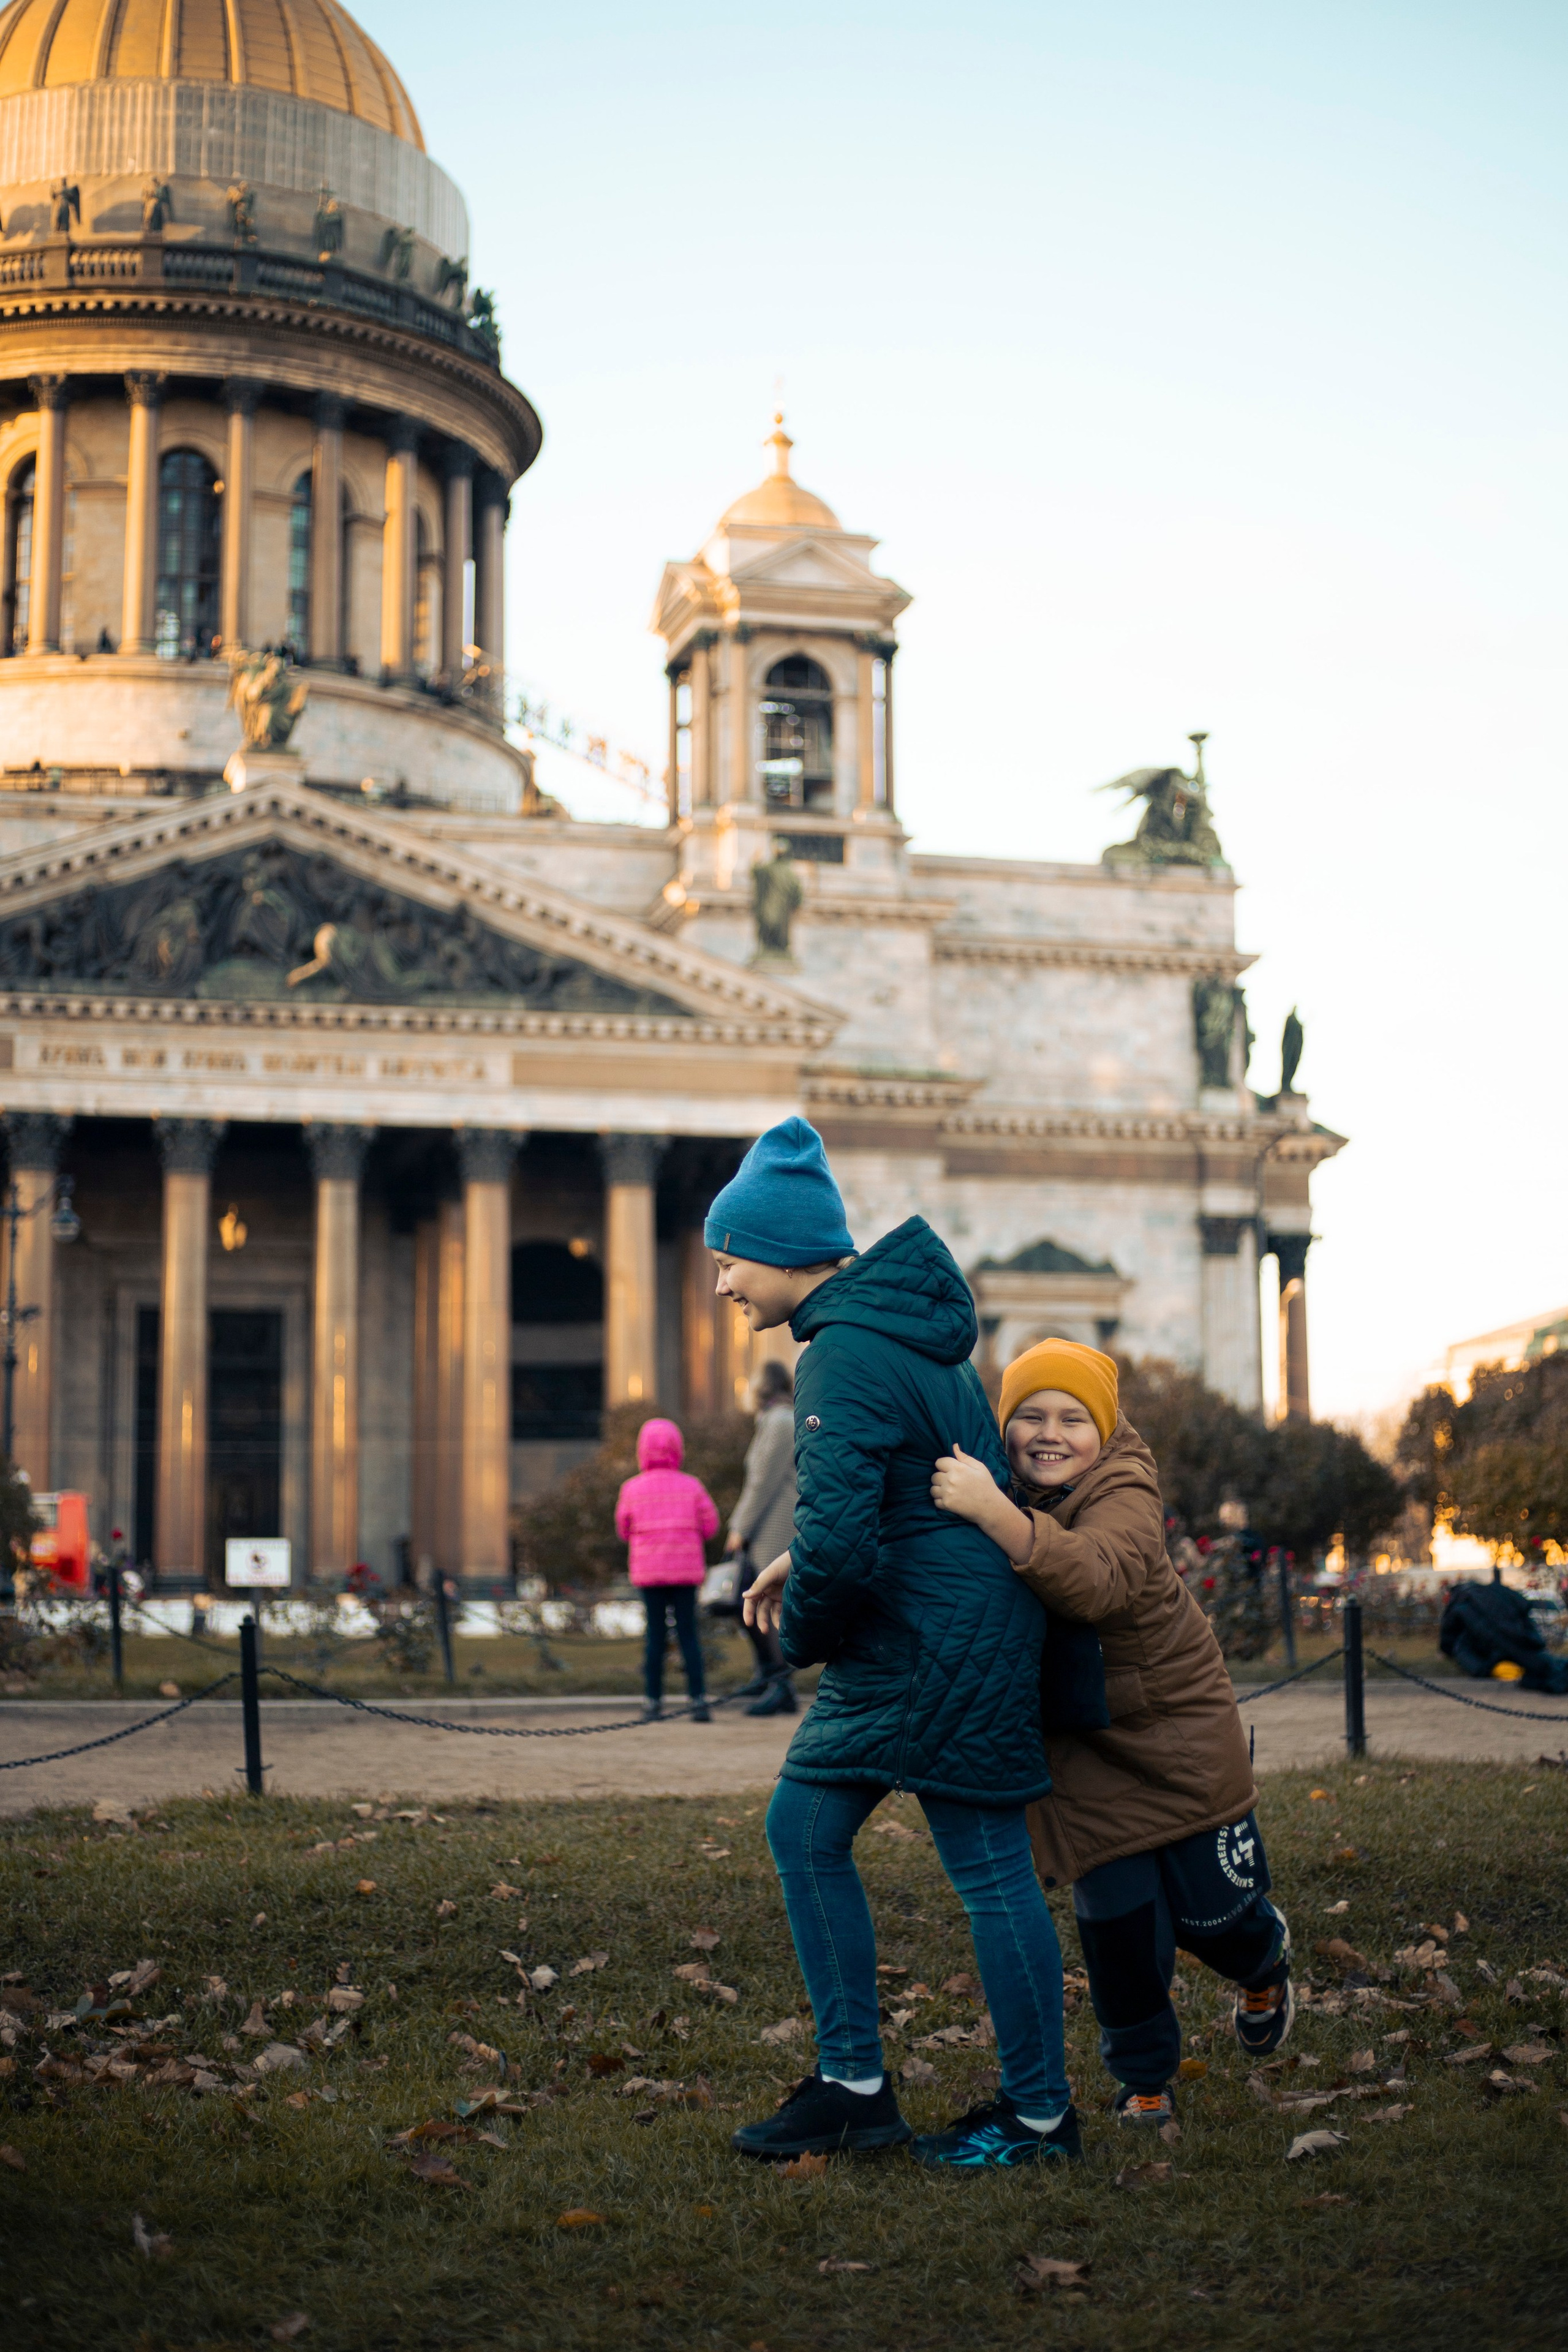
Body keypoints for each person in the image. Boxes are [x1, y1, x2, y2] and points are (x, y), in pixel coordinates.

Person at [710, 1115, 1084, 2168]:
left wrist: (799, 1635)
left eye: (731, 1258)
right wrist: (803, 1561)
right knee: (808, 1830)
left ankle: (1033, 2118)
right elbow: (896, 1497)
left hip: (930, 1638)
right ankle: (857, 2091)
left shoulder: (838, 1353)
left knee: (983, 1865)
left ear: (785, 1252)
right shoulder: (895, 1332)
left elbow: (843, 1544)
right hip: (946, 1621)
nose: (723, 1282)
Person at [931, 1338, 1292, 2130]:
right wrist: (798, 1559)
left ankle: (1263, 1963)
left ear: (1103, 1428)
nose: (1049, 1434)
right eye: (1030, 1415)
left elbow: (1096, 1579)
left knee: (1214, 1917)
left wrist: (995, 1514)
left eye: (1072, 1418)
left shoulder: (1123, 1485)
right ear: (1004, 1424)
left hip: (1173, 1730)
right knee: (1119, 1933)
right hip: (1082, 1749)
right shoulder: (989, 1481)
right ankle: (1145, 2079)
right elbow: (902, 1525)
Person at [614, 1418, 718, 1723]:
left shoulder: (631, 1488)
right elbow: (711, 1526)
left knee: (655, 1637)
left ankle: (653, 1701)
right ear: (678, 1448)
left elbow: (623, 1529)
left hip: (650, 1573)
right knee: (688, 1634)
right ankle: (698, 1701)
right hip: (686, 1572)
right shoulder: (693, 1485)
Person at [725, 1359, 799, 1716]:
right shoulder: (775, 1419)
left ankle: (780, 1685)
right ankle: (768, 1676)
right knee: (753, 1602)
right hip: (770, 1526)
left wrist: (738, 1529)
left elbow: (762, 1483)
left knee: (766, 1603)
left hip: (776, 1527)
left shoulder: (780, 1422)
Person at [1439, 1566, 1568, 1694]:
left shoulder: (1461, 1601)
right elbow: (1522, 1603)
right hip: (1518, 1633)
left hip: (1497, 1639)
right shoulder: (1490, 1591)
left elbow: (1450, 1636)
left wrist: (1484, 1668)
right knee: (1539, 1661)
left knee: (1537, 1664)